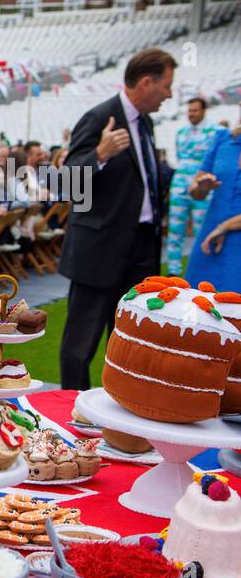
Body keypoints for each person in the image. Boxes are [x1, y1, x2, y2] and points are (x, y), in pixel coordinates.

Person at [59, 47, 176, 390]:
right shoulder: (99, 118)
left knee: (129, 342)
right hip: (100, 249)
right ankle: (72, 415)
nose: (169, 94)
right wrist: (99, 154)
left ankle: (120, 416)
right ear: (146, 82)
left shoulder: (147, 123)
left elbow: (141, 177)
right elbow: (67, 182)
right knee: (80, 347)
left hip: (141, 247)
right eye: (166, 85)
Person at [167, 97, 221, 275]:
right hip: (179, 184)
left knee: (201, 229)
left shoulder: (216, 132)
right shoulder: (181, 132)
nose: (191, 114)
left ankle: (202, 270)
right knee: (175, 228)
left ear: (204, 110)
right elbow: (179, 155)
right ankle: (173, 271)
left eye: (195, 110)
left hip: (202, 184)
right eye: (189, 111)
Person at [184, 126, 241, 291]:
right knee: (198, 301)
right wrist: (203, 187)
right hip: (210, 238)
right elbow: (195, 191)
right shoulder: (222, 139)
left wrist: (225, 226)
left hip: (228, 234)